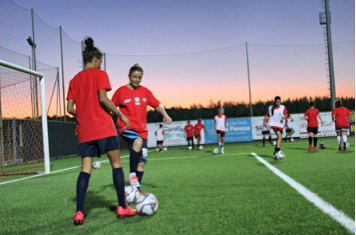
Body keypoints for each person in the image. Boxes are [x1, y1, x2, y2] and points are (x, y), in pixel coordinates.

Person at [67, 37, 135, 225]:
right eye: (100, 62)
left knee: (85, 169)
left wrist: (83, 117)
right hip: (104, 127)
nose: (100, 64)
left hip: (85, 130)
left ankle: (79, 212)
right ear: (96, 59)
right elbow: (103, 99)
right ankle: (122, 206)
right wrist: (120, 114)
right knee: (116, 165)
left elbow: (70, 108)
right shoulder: (100, 74)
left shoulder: (74, 80)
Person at [111, 64, 172, 189]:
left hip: (142, 131)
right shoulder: (121, 91)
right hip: (126, 128)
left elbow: (157, 105)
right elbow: (111, 107)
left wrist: (165, 115)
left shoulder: (145, 91)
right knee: (137, 142)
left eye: (139, 77)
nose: (137, 80)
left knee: (141, 163)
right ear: (129, 77)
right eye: (134, 77)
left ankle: (135, 191)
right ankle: (132, 174)